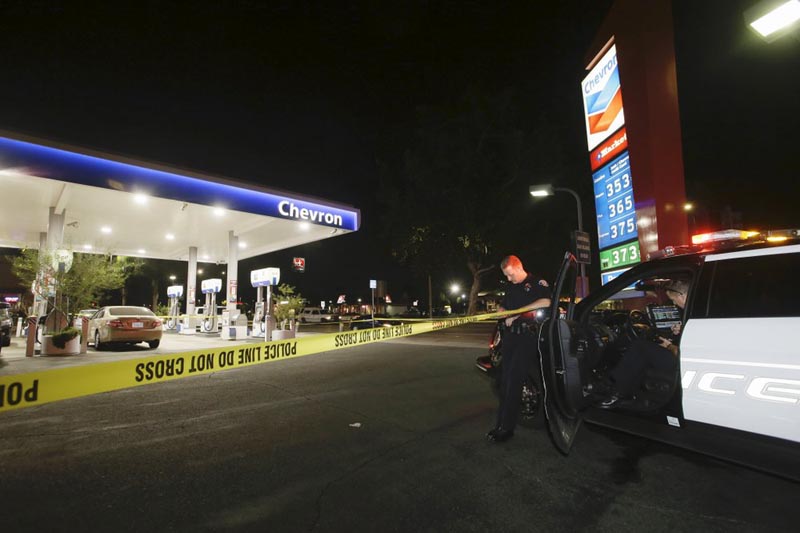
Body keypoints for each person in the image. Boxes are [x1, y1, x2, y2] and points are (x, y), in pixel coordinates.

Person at [487, 255, 551, 443]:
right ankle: (501, 424)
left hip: (528, 337)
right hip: (510, 338)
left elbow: (546, 302)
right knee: (505, 382)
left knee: (515, 380)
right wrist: (501, 311)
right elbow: (504, 306)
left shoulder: (537, 282)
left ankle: (506, 429)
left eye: (509, 274)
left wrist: (516, 313)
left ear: (518, 267)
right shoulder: (511, 287)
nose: (508, 279)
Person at [601, 279, 689, 407]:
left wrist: (669, 346)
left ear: (682, 295)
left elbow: (682, 352)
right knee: (646, 350)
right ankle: (634, 392)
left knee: (640, 347)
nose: (674, 304)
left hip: (682, 361)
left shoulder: (691, 310)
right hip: (682, 358)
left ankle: (617, 391)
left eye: (674, 300)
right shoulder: (695, 311)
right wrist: (681, 331)